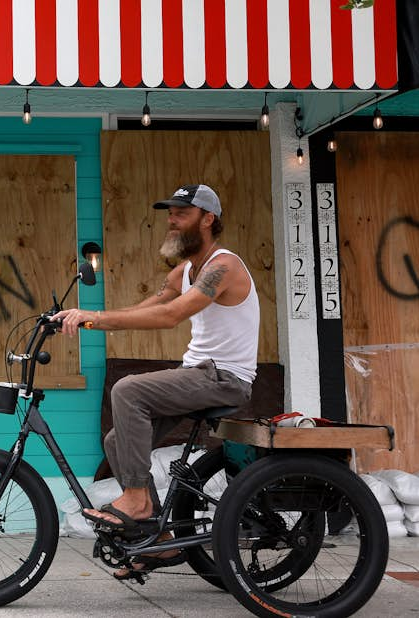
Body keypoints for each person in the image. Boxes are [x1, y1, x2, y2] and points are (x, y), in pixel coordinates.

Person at [51, 184, 259, 577]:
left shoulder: (223, 265)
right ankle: (158, 541)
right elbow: (150, 306)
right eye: (170, 213)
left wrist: (92, 316)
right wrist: (84, 317)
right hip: (197, 374)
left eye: (181, 213)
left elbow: (170, 317)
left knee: (127, 389)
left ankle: (137, 501)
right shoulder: (186, 270)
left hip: (225, 377)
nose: (171, 221)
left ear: (208, 219)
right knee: (117, 441)